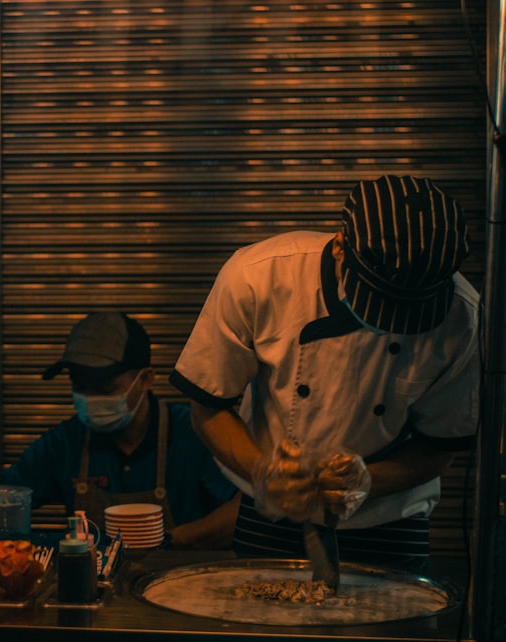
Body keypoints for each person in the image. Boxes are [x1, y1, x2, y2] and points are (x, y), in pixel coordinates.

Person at [170, 175, 480, 570]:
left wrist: (367, 481)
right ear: (339, 247)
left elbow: (438, 449)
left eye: (405, 315)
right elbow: (207, 408)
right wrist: (263, 473)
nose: (386, 326)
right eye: (378, 305)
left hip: (390, 518)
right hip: (270, 514)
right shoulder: (257, 276)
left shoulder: (464, 320)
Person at [0, 311, 239, 549]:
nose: (90, 399)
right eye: (80, 386)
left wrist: (178, 539)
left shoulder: (192, 432)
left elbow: (244, 508)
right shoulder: (65, 443)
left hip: (179, 580)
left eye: (105, 388)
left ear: (145, 380)